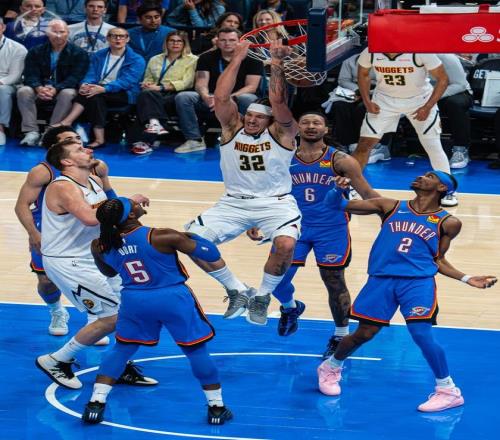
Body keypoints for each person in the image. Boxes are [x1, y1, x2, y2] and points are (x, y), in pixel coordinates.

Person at [317, 171, 497, 412]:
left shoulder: (448, 223)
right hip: (381, 280)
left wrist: (466, 278)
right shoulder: (389, 206)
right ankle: (331, 367)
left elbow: (438, 259)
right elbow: (335, 205)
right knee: (364, 333)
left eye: (430, 176)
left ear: (442, 188)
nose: (421, 176)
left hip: (417, 283)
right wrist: (337, 190)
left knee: (421, 333)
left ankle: (448, 390)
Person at [81, 198, 233, 426]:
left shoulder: (99, 245)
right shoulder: (162, 236)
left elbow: (109, 272)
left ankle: (96, 403)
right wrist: (193, 237)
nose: (137, 203)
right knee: (195, 350)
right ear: (131, 215)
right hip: (172, 298)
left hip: (134, 300)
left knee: (122, 349)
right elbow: (210, 254)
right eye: (132, 203)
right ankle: (216, 407)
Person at [185, 39, 301, 325]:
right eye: (248, 115)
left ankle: (262, 296)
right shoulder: (231, 129)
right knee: (191, 242)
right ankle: (237, 289)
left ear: (270, 121)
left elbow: (278, 102)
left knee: (286, 245)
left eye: (258, 117)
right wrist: (237, 57)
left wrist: (276, 64)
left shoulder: (283, 134)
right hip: (233, 203)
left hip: (275, 203)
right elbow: (221, 98)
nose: (251, 120)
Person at [247, 111, 379, 356]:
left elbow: (368, 194)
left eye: (316, 123)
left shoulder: (341, 161)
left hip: (331, 229)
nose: (310, 126)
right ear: (297, 128)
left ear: (325, 129)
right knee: (277, 280)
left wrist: (393, 213)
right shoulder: (282, 158)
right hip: (292, 227)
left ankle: (341, 335)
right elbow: (265, 191)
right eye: (305, 122)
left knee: (334, 282)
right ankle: (290, 307)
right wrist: (254, 219)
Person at [35, 139, 156, 389]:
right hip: (69, 262)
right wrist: (126, 202)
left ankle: (117, 366)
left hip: (96, 257)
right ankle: (56, 360)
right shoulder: (62, 186)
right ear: (66, 161)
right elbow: (91, 217)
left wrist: (129, 211)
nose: (88, 149)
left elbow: (110, 211)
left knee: (132, 310)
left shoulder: (93, 180)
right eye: (80, 149)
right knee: (113, 317)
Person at [15, 126, 118, 336]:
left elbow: (109, 195)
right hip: (51, 232)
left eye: (78, 139)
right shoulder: (43, 171)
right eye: (70, 140)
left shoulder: (96, 167)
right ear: (58, 149)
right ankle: (56, 311)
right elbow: (21, 205)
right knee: (46, 281)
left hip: (86, 232)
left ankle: (95, 318)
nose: (79, 144)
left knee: (99, 274)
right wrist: (33, 233)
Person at [353, 49, 458, 207]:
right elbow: (363, 74)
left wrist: (428, 106)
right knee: (364, 145)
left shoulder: (421, 51)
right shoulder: (371, 51)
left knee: (433, 145)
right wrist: (367, 102)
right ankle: (350, 186)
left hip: (420, 100)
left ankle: (448, 190)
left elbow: (443, 79)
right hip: (384, 100)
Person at [174, 27, 262, 153]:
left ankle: (244, 139)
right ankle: (194, 140)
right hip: (211, 98)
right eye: (223, 40)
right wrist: (205, 96)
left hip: (236, 98)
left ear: (239, 42)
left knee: (248, 98)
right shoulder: (206, 57)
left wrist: (225, 99)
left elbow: (251, 87)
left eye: (232, 40)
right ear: (217, 41)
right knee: (184, 97)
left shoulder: (253, 59)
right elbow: (201, 83)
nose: (227, 43)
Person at [58, 28, 145, 149]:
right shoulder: (98, 55)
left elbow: (127, 81)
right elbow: (90, 74)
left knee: (95, 94)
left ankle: (67, 122)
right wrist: (85, 84)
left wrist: (105, 89)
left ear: (128, 39)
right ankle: (99, 139)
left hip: (125, 92)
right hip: (99, 89)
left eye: (122, 36)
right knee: (92, 95)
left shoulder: (137, 59)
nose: (118, 39)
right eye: (114, 36)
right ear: (108, 38)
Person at [17, 19, 89, 146]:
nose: (58, 35)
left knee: (68, 93)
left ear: (68, 33)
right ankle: (31, 131)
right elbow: (30, 74)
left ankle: (51, 131)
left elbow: (75, 77)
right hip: (40, 89)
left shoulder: (79, 53)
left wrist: (56, 88)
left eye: (62, 32)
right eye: (54, 32)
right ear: (47, 33)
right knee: (24, 91)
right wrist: (39, 88)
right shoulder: (35, 51)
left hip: (63, 89)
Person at [136, 30, 197, 137]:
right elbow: (148, 78)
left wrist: (160, 88)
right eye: (172, 41)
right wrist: (147, 84)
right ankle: (155, 124)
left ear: (184, 44)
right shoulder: (155, 59)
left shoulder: (193, 60)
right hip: (154, 93)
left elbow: (187, 83)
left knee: (146, 99)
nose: (175, 43)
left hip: (177, 94)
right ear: (166, 43)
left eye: (179, 41)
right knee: (145, 94)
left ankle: (151, 130)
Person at [436, 54, 473, 170]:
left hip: (456, 92)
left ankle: (461, 149)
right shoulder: (407, 57)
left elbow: (460, 85)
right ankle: (386, 145)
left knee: (455, 104)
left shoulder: (446, 57)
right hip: (425, 94)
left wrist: (433, 96)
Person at [0, 17, 28, 146]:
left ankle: (0, 128)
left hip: (9, 84)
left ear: (3, 28)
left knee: (2, 90)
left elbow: (15, 76)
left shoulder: (18, 48)